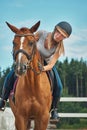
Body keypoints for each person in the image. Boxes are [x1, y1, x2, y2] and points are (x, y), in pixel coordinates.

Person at [0, 21, 72, 120]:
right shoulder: (42, 33)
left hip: (46, 64)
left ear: (65, 38)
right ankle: (3, 100)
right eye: (59, 32)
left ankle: (54, 109)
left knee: (59, 86)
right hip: (31, 59)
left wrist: (42, 68)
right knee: (10, 75)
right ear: (55, 29)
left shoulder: (59, 48)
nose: (59, 36)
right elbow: (29, 41)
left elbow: (51, 64)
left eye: (63, 36)